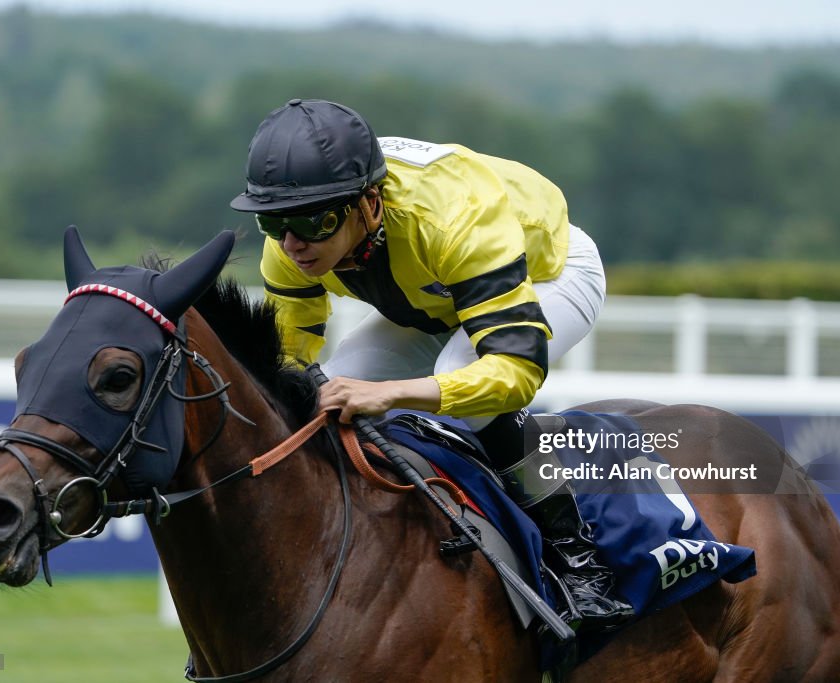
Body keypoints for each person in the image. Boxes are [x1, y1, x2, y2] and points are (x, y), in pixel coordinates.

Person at [230, 98, 633, 633]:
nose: (292, 243)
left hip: (547, 273)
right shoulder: (289, 240)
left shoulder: (454, 216)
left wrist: (392, 394)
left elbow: (515, 374)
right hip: (433, 293)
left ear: (370, 203)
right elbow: (284, 362)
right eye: (273, 221)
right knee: (337, 383)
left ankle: (580, 558)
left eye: (313, 221)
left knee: (460, 372)